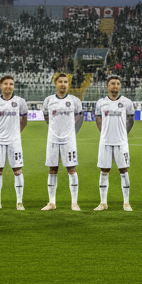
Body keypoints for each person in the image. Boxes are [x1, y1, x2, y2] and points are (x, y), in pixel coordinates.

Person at [42, 73, 83, 211]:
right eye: (60, 81)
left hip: (69, 140)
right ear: (55, 83)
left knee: (71, 169)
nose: (63, 84)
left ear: (68, 84)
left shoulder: (75, 100)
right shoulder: (48, 100)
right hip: (53, 139)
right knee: (52, 169)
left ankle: (74, 203)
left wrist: (72, 132)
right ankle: (52, 202)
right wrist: (55, 129)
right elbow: (46, 117)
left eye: (65, 82)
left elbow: (80, 116)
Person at [94, 75, 135, 211]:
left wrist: (123, 133)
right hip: (105, 142)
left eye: (117, 83)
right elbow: (98, 119)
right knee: (104, 171)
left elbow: (130, 119)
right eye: (112, 83)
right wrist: (104, 132)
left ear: (120, 86)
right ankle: (103, 203)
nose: (115, 86)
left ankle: (126, 203)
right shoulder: (101, 102)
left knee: (123, 171)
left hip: (121, 142)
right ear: (107, 86)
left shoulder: (127, 102)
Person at [0, 75, 28, 211]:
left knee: (17, 170)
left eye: (11, 84)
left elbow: (24, 120)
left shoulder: (20, 101)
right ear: (1, 86)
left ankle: (19, 202)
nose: (8, 86)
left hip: (14, 141)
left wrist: (15, 133)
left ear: (13, 86)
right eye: (5, 84)